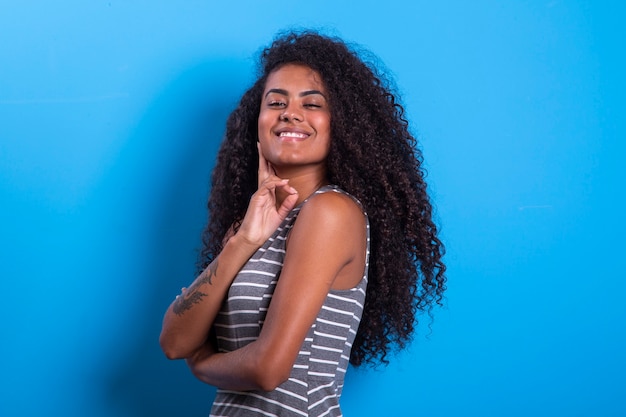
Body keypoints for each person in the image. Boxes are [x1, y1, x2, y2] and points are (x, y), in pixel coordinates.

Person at [159, 30, 446, 416]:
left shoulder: (330, 212)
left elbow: (267, 369)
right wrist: (243, 241)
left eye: (313, 104)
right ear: (256, 120)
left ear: (342, 125)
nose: (290, 113)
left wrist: (203, 365)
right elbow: (174, 343)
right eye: (276, 101)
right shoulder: (251, 224)